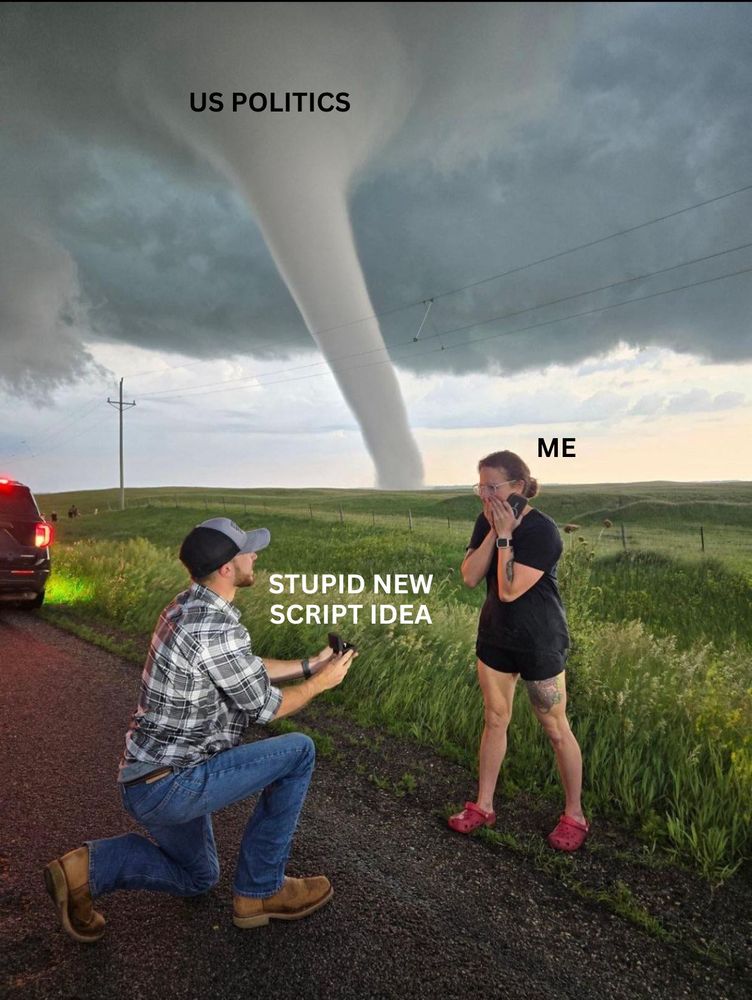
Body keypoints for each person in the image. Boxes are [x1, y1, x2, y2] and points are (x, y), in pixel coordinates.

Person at [44, 516, 356, 943]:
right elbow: (268, 707)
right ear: (227, 568)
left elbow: (241, 668)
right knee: (299, 751)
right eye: (246, 551)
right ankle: (261, 891)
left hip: (144, 778)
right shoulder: (215, 628)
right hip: (172, 785)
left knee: (199, 876)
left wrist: (309, 665)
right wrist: (322, 683)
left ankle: (85, 870)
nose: (254, 556)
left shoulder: (186, 606)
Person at [447, 451, 589, 851]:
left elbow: (510, 589)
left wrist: (506, 535)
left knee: (555, 728)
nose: (484, 495)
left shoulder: (543, 531)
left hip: (539, 642)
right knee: (494, 718)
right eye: (480, 487)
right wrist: (493, 530)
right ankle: (483, 806)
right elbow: (470, 576)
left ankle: (575, 815)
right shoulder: (486, 521)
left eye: (492, 487)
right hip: (496, 638)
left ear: (519, 487)